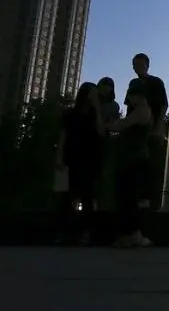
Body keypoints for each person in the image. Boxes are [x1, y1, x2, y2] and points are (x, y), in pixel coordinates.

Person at [55, 82, 104, 245]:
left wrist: (97, 108)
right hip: (71, 159)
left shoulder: (95, 114)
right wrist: (59, 157)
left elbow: (101, 131)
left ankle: (85, 233)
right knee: (66, 197)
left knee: (88, 197)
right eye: (92, 93)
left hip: (89, 160)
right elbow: (63, 136)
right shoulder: (70, 114)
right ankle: (64, 233)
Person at [110, 81, 154, 248]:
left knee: (129, 196)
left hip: (135, 158)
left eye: (131, 95)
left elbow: (121, 125)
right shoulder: (138, 110)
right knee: (125, 197)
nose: (128, 98)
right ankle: (127, 235)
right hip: (130, 157)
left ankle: (134, 234)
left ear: (139, 96)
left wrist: (109, 124)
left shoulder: (142, 111)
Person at [129, 53, 168, 209]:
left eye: (140, 64)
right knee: (136, 168)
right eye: (134, 65)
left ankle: (151, 205)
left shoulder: (155, 82)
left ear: (147, 65)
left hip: (152, 131)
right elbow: (130, 105)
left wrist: (158, 125)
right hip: (136, 130)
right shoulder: (133, 83)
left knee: (150, 169)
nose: (137, 67)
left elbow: (163, 105)